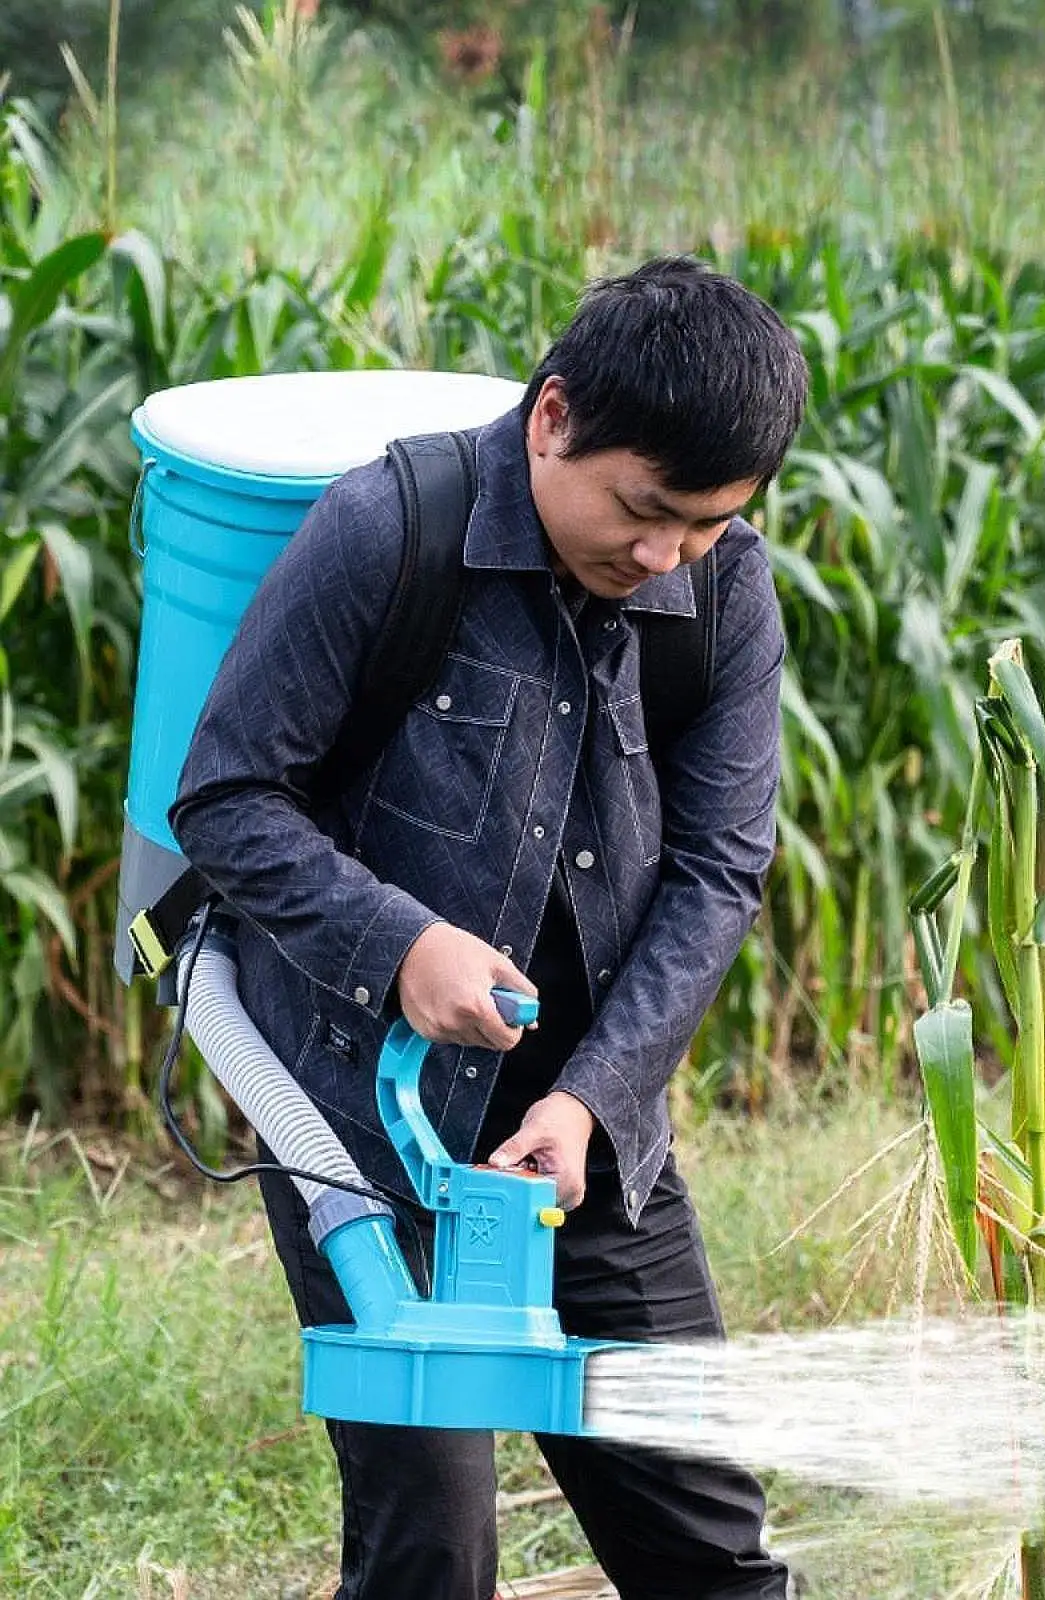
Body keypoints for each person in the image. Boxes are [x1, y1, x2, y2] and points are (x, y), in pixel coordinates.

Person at [169, 256, 810, 1600]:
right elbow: (224, 799)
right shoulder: (385, 533)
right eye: (645, 514)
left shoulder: (725, 592)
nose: (663, 560)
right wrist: (400, 943)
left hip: (589, 1142)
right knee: (431, 1556)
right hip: (365, 1132)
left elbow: (718, 873)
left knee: (711, 1558)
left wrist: (586, 1101)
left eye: (701, 529)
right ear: (552, 416)